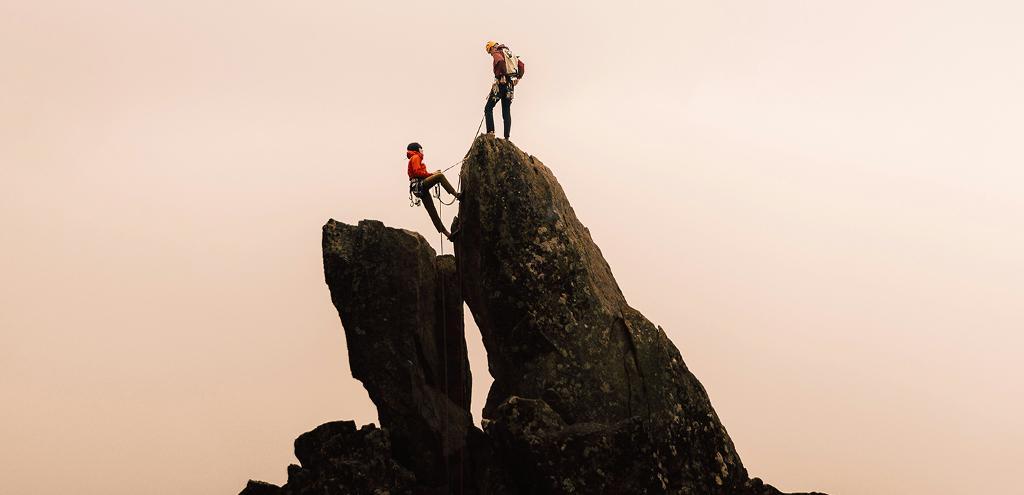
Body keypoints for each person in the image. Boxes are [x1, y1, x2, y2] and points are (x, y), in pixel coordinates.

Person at [407, 142, 461, 239]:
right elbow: (417, 172)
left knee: (432, 211)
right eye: (421, 149)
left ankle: (448, 235)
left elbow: (419, 173)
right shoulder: (416, 157)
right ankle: (457, 195)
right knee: (440, 176)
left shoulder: (413, 158)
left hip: (417, 188)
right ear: (417, 149)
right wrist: (433, 174)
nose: (422, 151)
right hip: (420, 185)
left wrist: (431, 175)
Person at [484, 41, 525, 140]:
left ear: (492, 47)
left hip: (501, 84)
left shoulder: (497, 52)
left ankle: (490, 132)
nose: (491, 54)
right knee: (506, 111)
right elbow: (521, 65)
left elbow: (500, 61)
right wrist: (518, 77)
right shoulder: (509, 53)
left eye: (490, 51)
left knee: (488, 108)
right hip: (510, 86)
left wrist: (502, 75)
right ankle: (507, 137)